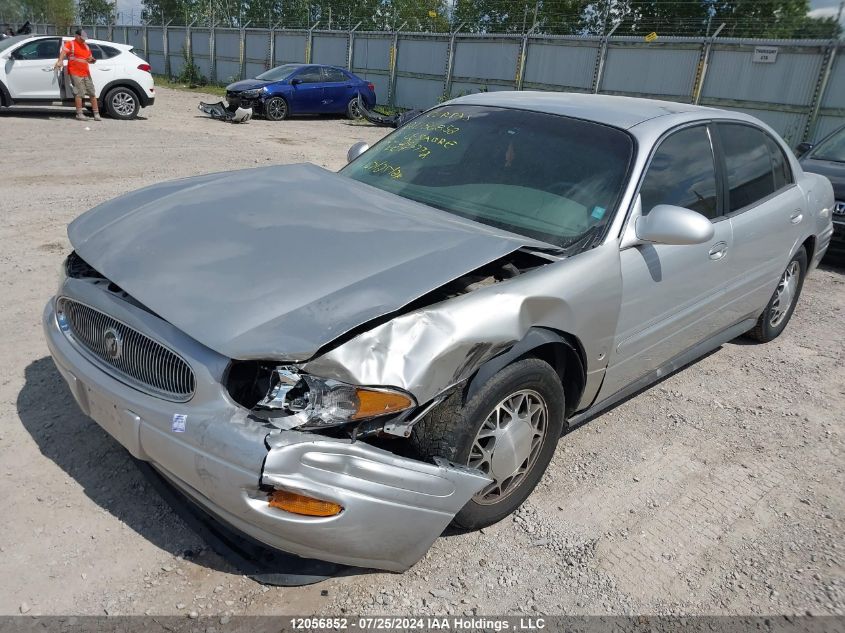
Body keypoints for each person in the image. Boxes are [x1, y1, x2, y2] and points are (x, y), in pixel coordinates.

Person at [54, 29, 100, 121]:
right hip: (75, 72)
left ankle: (96, 113)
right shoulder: (71, 44)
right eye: (82, 38)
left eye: (84, 38)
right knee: (79, 93)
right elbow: (63, 53)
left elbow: (89, 58)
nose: (83, 40)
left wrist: (92, 60)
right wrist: (60, 61)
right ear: (76, 36)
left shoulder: (86, 46)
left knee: (92, 93)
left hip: (86, 73)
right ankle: (79, 114)